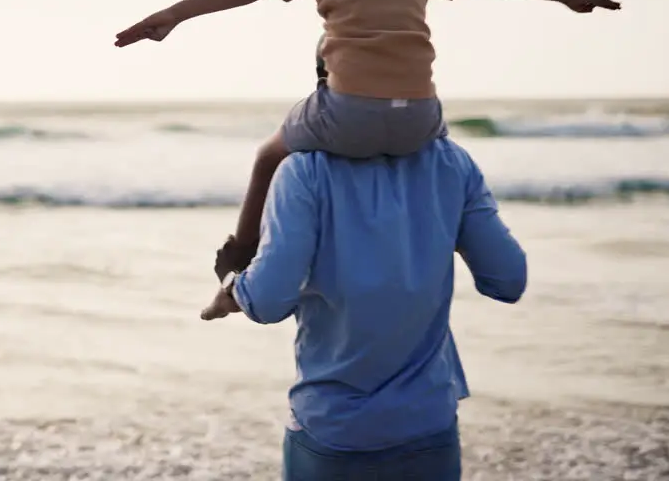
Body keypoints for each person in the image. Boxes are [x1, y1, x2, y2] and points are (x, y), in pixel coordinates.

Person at [112, 0, 618, 297]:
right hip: (421, 118)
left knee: (269, 153)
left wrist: (174, 14)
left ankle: (240, 255)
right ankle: (466, 244)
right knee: (443, 157)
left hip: (347, 115)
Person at [201, 136, 527, 480]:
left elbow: (268, 301)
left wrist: (232, 284)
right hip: (428, 422)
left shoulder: (304, 170)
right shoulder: (450, 163)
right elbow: (507, 279)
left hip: (333, 425)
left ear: (325, 80)